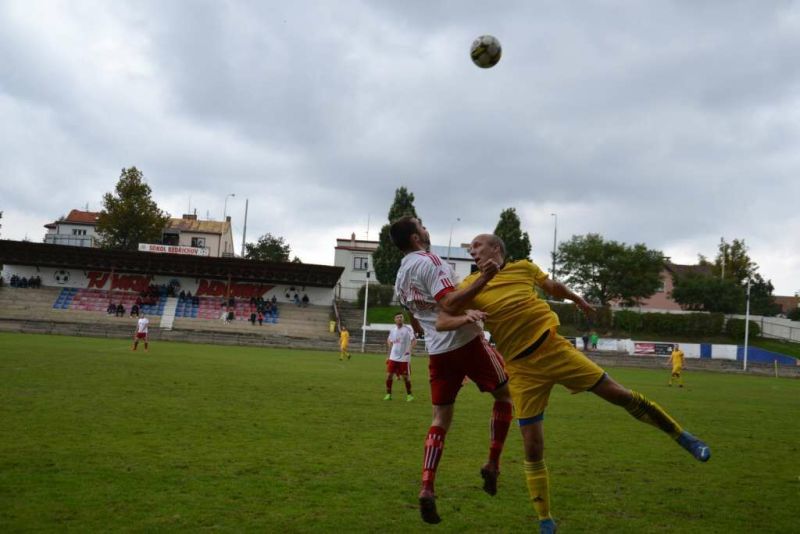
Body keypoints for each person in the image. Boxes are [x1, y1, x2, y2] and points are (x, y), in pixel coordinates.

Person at [437, 234, 711, 534]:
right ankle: (545, 520)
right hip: (522, 369)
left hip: (554, 349)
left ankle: (684, 437)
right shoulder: (469, 286)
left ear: (497, 249)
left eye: (478, 246)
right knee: (532, 447)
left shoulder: (524, 268)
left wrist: (575, 297)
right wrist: (468, 313)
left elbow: (551, 286)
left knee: (619, 395)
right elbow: (443, 318)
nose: (473, 251)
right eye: (471, 249)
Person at [390, 217, 513, 525]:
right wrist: (485, 278)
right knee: (505, 396)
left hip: (438, 351)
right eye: (422, 226)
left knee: (440, 418)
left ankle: (427, 486)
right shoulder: (429, 262)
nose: (427, 228)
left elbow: (419, 316)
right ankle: (493, 464)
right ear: (417, 238)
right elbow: (450, 302)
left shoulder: (401, 274)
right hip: (465, 341)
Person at [384, 313, 417, 401]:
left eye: (401, 317)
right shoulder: (393, 330)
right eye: (397, 317)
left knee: (405, 378)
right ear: (395, 320)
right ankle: (388, 394)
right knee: (388, 376)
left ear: (403, 319)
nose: (399, 319)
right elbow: (389, 342)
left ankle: (409, 395)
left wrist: (409, 350)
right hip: (393, 357)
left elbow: (414, 341)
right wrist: (388, 356)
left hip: (404, 358)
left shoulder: (408, 329)